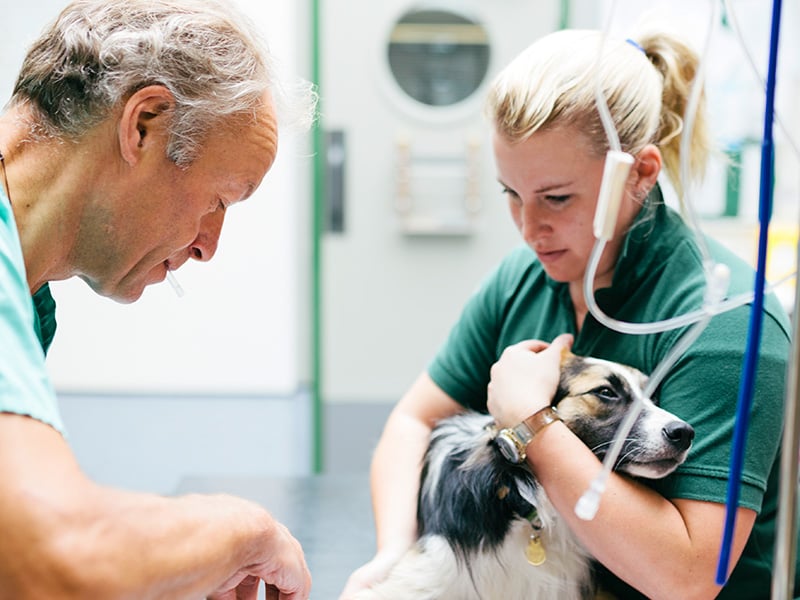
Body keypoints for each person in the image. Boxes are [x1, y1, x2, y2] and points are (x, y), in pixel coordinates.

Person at [341, 28, 799, 599]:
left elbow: (687, 579)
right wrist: (395, 553)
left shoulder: (727, 321)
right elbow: (412, 422)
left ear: (640, 173)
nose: (530, 229)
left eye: (556, 198)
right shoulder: (524, 277)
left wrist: (532, 422)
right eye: (511, 193)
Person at [0, 0, 316, 597]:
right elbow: (51, 561)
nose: (208, 247)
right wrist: (247, 535)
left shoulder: (27, 299)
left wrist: (173, 564)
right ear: (143, 124)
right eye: (219, 201)